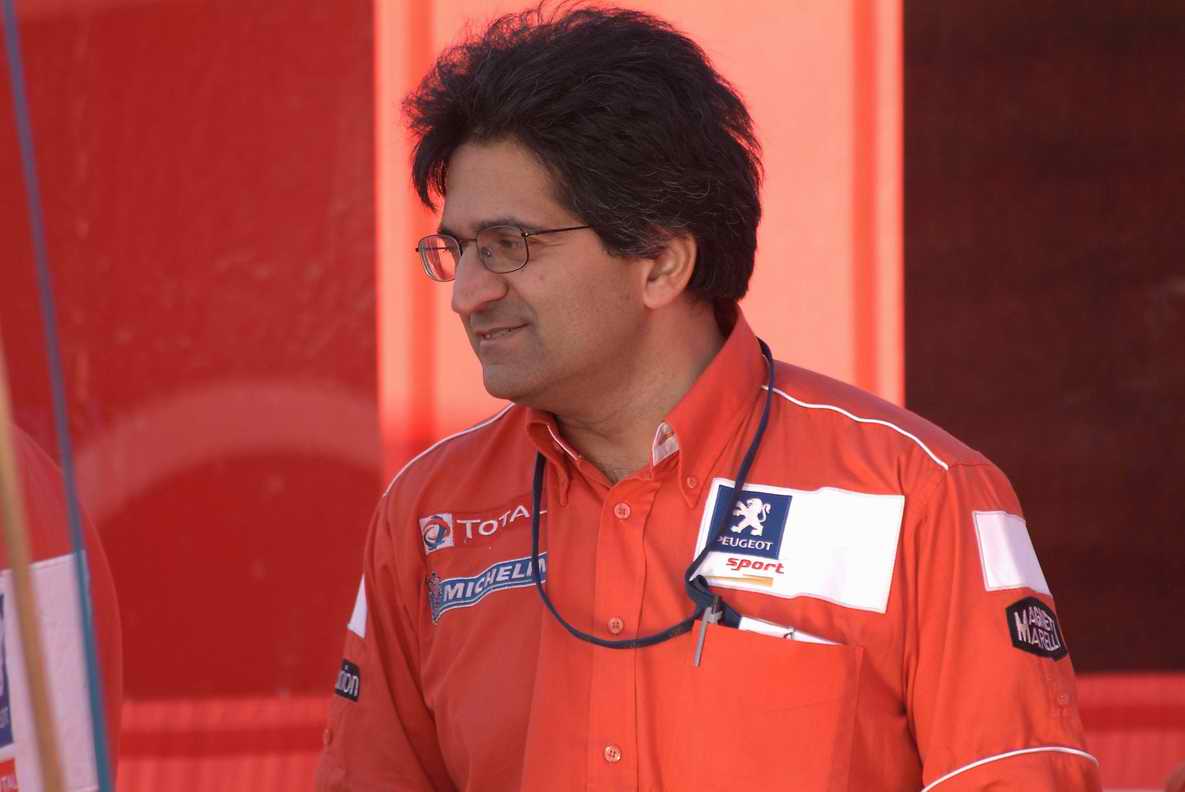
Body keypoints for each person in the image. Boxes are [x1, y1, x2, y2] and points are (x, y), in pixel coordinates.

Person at [316, 5, 1101, 790]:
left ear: (661, 262)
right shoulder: (428, 513)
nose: (467, 295)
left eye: (506, 246)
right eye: (456, 251)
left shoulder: (919, 494)